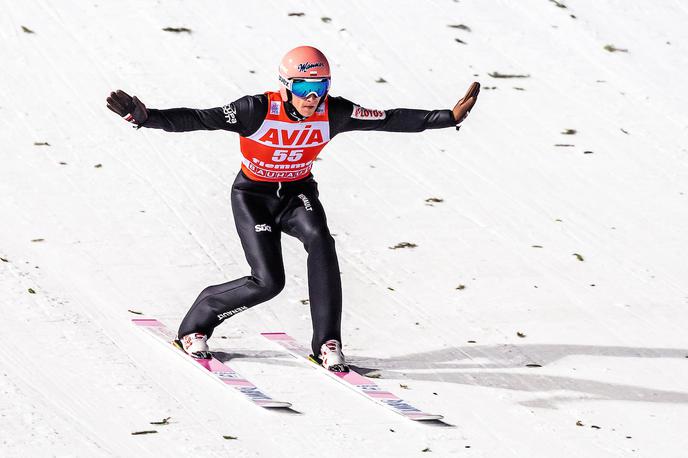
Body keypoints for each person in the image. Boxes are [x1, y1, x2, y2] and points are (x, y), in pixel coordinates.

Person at [107, 45, 480, 372]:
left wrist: (447, 117)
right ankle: (197, 324)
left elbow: (390, 119)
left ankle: (327, 344)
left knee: (322, 241)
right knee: (269, 282)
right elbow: (199, 118)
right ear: (286, 86)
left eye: (320, 88)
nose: (312, 96)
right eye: (303, 87)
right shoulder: (254, 109)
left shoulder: (335, 113)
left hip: (296, 194)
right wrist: (147, 117)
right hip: (254, 196)